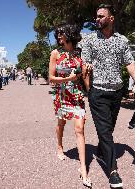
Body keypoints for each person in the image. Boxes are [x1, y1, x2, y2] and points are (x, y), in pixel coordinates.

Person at [81, 4, 135, 188]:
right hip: (98, 92)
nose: (97, 19)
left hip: (116, 93)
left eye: (101, 16)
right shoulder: (90, 40)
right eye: (96, 16)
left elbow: (129, 63)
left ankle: (101, 151)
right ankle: (113, 171)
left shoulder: (121, 40)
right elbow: (85, 67)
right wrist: (89, 90)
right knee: (105, 131)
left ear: (111, 19)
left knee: (109, 128)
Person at [49, 24, 91, 188]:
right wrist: (68, 79)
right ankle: (59, 146)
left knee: (80, 129)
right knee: (61, 123)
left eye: (62, 34)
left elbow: (83, 75)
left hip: (77, 95)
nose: (59, 37)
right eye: (57, 34)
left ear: (70, 35)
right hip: (61, 95)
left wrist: (87, 71)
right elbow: (51, 78)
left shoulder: (79, 52)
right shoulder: (55, 53)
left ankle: (83, 169)